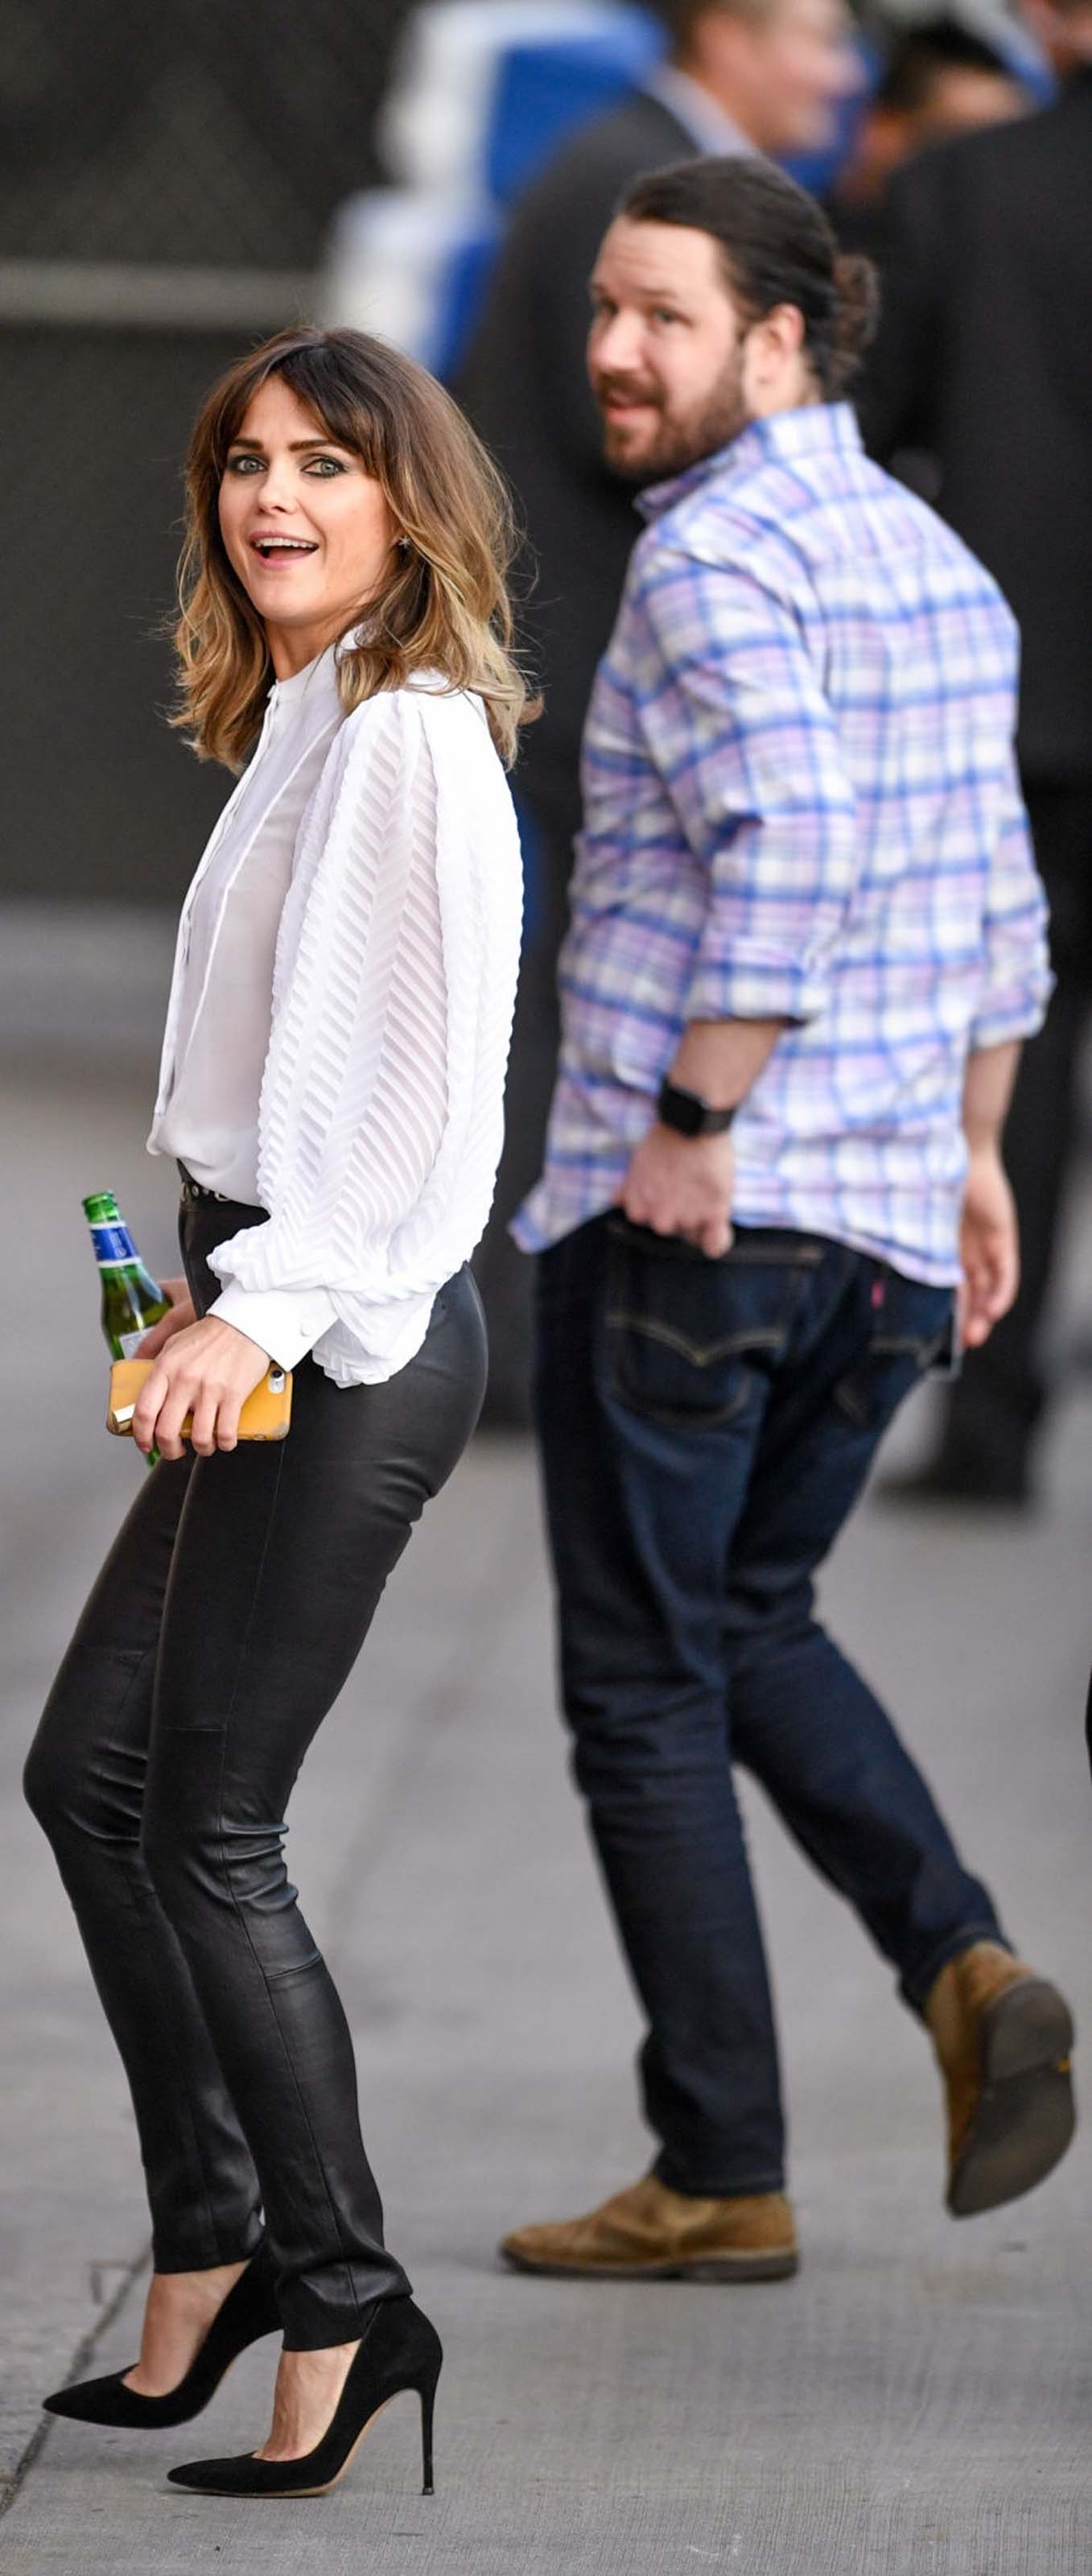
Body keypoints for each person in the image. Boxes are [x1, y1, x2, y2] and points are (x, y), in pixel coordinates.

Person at [499, 157, 1073, 2285]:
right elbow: (999, 906)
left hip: (705, 1219)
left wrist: (682, 1114)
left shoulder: (709, 568)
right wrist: (974, 1149)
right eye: (597, 313)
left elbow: (797, 851)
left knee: (642, 1682)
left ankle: (718, 2170)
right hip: (883, 1232)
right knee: (747, 1623)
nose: (608, 353)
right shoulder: (932, 560)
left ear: (775, 337)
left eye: (656, 316)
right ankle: (959, 1970)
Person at [24, 328, 527, 2492]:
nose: (274, 500)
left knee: (204, 1829)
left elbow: (427, 1120)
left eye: (325, 464)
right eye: (244, 464)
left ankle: (346, 2293)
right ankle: (215, 2243)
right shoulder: (312, 710)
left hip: (348, 1335)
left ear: (408, 501)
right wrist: (206, 1290)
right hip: (260, 1301)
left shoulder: (409, 735)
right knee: (89, 1780)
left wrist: (271, 1304)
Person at [455, 0, 863, 1429]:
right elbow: (629, 423)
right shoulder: (625, 185)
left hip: (593, 650)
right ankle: (501, 1339)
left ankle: (531, 1326)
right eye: (814, 35)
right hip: (577, 657)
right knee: (556, 1003)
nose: (839, 71)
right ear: (726, 31)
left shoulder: (647, 174)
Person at [859, 0, 1092, 1507]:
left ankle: (991, 1427)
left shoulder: (962, 185)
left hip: (1032, 699)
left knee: (1020, 1050)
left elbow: (876, 424)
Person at [830, 15, 1029, 255]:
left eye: (1003, 147)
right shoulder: (807, 256)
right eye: (955, 138)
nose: (985, 168)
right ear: (882, 127)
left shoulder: (1007, 262)